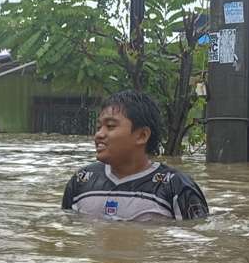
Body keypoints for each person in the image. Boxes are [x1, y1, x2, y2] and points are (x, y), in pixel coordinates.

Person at [61, 90, 208, 222]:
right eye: (99, 127)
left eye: (110, 126)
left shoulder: (176, 186)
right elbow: (67, 233)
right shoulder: (81, 180)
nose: (99, 134)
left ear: (142, 135)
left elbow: (196, 240)